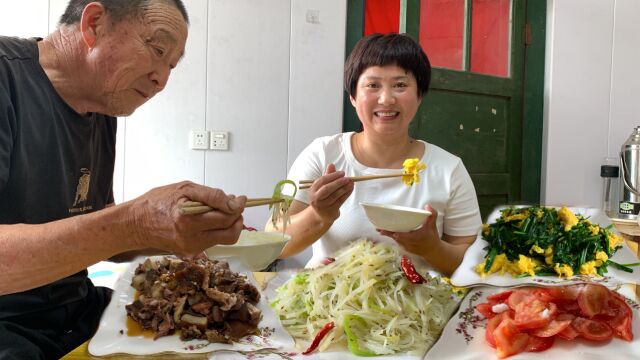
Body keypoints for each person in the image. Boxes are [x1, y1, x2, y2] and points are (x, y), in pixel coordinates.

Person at [0, 1, 246, 358]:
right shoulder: (7, 76)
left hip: (75, 309)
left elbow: (102, 233)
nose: (162, 80)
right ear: (95, 23)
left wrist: (174, 229)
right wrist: (135, 221)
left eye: (172, 65)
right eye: (158, 50)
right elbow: (116, 228)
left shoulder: (101, 107)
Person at [267, 33, 481, 275]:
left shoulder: (449, 169)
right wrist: (319, 215)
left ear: (420, 95)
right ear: (352, 96)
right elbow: (273, 242)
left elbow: (471, 263)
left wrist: (431, 248)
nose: (386, 99)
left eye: (400, 85)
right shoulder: (321, 153)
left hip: (420, 307)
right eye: (372, 85)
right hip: (327, 301)